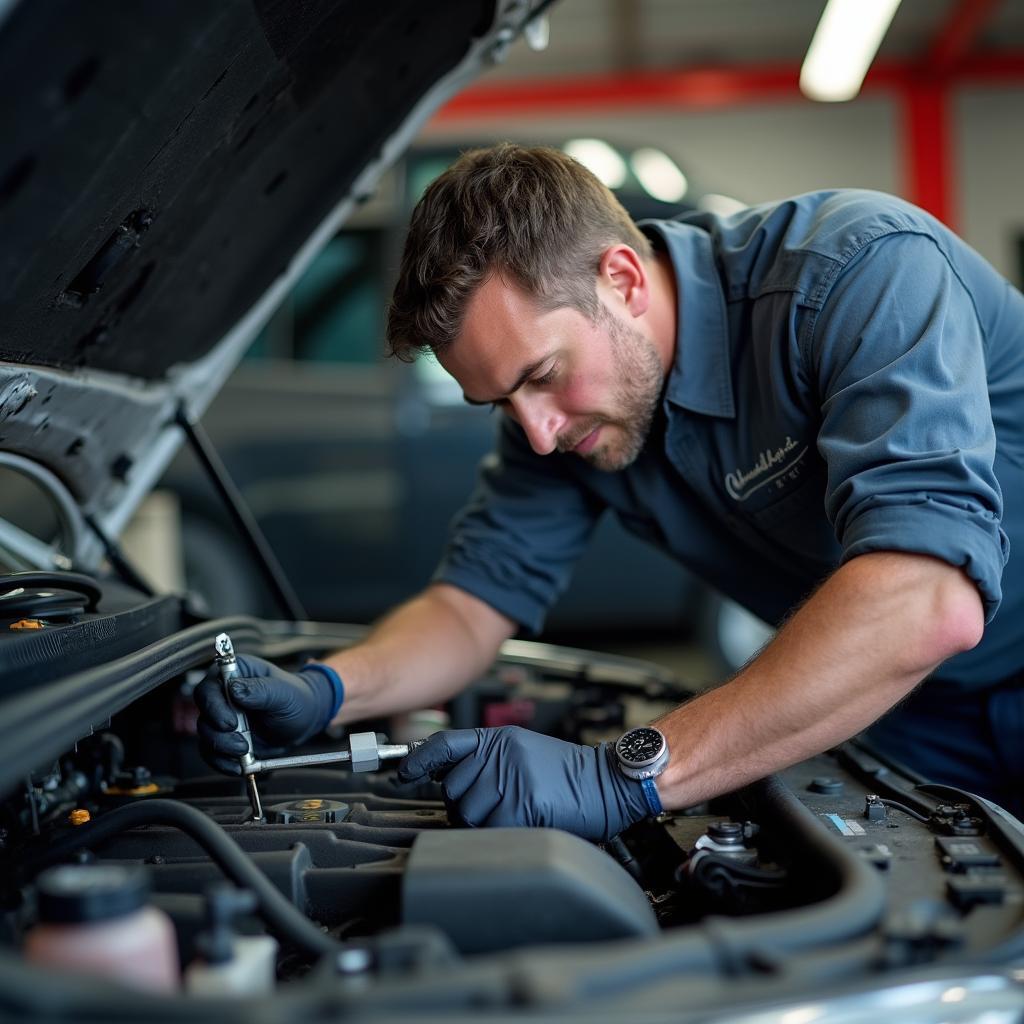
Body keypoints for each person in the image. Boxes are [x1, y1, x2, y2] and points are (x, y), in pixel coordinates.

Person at [196, 143, 1024, 832]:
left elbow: (925, 599)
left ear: (623, 278)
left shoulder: (855, 276)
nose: (539, 433)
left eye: (544, 376)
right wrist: (332, 689)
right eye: (501, 403)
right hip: (912, 709)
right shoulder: (548, 423)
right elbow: (468, 607)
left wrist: (623, 775)